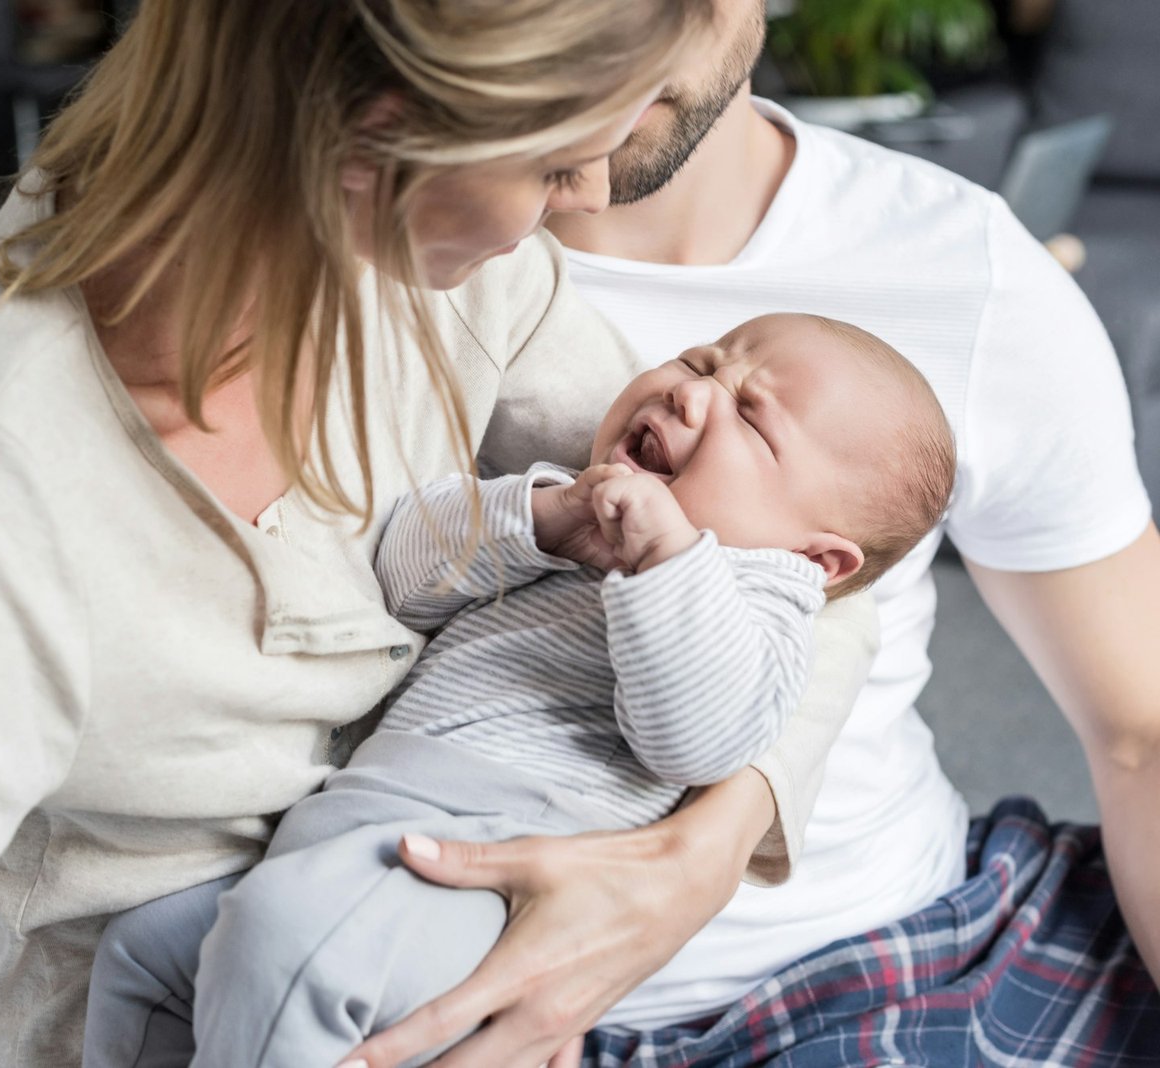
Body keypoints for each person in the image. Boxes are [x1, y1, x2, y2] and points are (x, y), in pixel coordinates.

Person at [0, 3, 885, 1067]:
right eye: (557, 161)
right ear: (379, 135)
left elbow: (803, 558)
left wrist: (688, 866)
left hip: (431, 947)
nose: (586, 197)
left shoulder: (448, 272)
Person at [339, 1, 1160, 1064]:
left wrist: (718, 840)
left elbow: (1140, 732)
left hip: (889, 945)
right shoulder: (354, 246)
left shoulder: (961, 264)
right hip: (421, 959)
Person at [80, 313, 956, 1067]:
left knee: (286, 945)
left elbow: (698, 740)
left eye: (752, 418)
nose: (691, 393)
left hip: (487, 869)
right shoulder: (567, 509)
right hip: (352, 832)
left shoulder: (760, 601)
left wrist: (667, 561)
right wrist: (540, 519)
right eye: (699, 362)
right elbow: (398, 579)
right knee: (144, 955)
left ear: (817, 559)